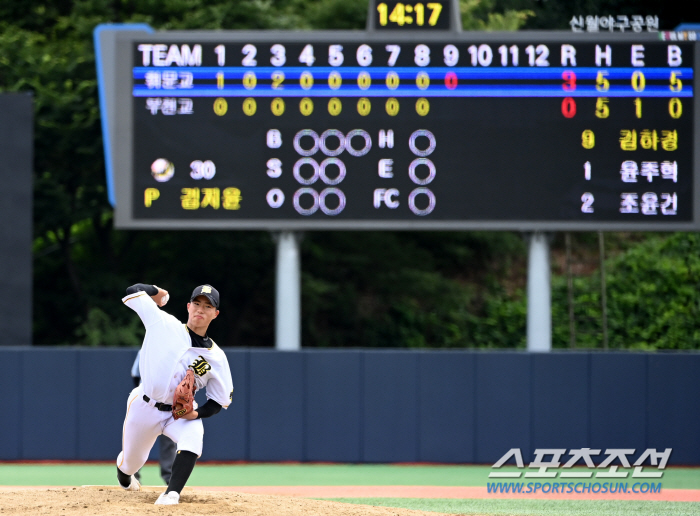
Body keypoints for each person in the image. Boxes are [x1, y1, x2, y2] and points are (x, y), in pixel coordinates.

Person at [116, 283, 233, 505]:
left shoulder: (216, 358)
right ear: (188, 306)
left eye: (207, 306)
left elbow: (218, 401)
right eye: (197, 303)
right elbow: (132, 291)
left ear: (215, 314)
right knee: (131, 464)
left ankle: (172, 493)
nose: (200, 309)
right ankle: (124, 473)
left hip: (177, 414)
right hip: (145, 407)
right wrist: (158, 293)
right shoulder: (163, 323)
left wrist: (196, 414)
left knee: (194, 435)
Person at [130, 350, 177, 484]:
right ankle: (133, 476)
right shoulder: (146, 350)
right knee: (138, 440)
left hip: (165, 403)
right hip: (148, 403)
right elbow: (135, 375)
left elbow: (134, 375)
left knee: (166, 440)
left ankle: (169, 478)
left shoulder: (174, 351)